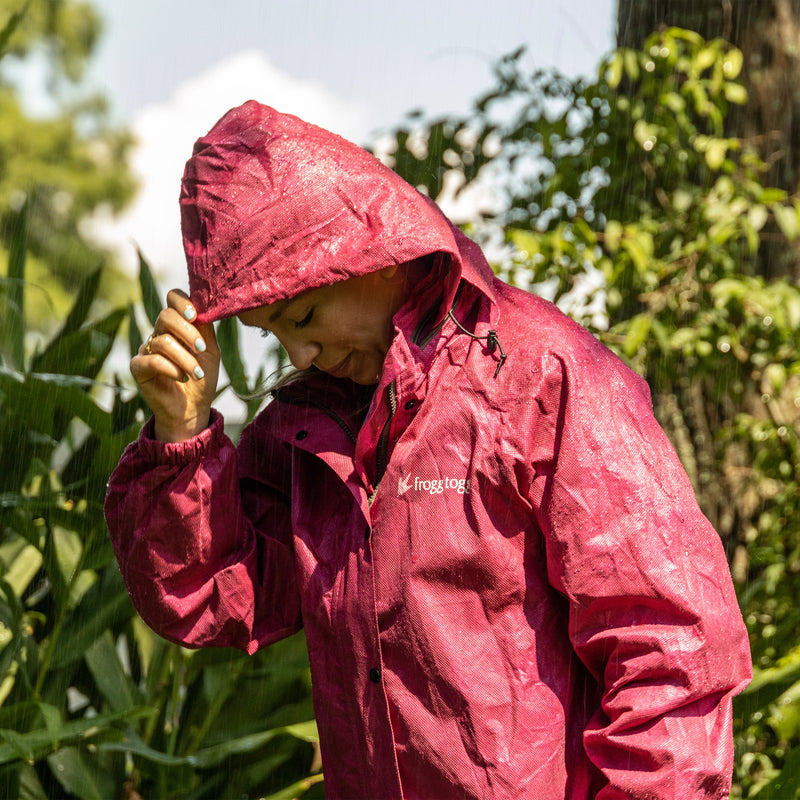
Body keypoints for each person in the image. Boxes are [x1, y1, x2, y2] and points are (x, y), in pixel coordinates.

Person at [105, 100, 752, 799]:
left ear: (374, 257)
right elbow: (211, 595)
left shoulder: (544, 378)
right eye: (273, 332)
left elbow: (668, 654)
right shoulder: (305, 430)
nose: (301, 351)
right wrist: (182, 435)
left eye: (304, 315)